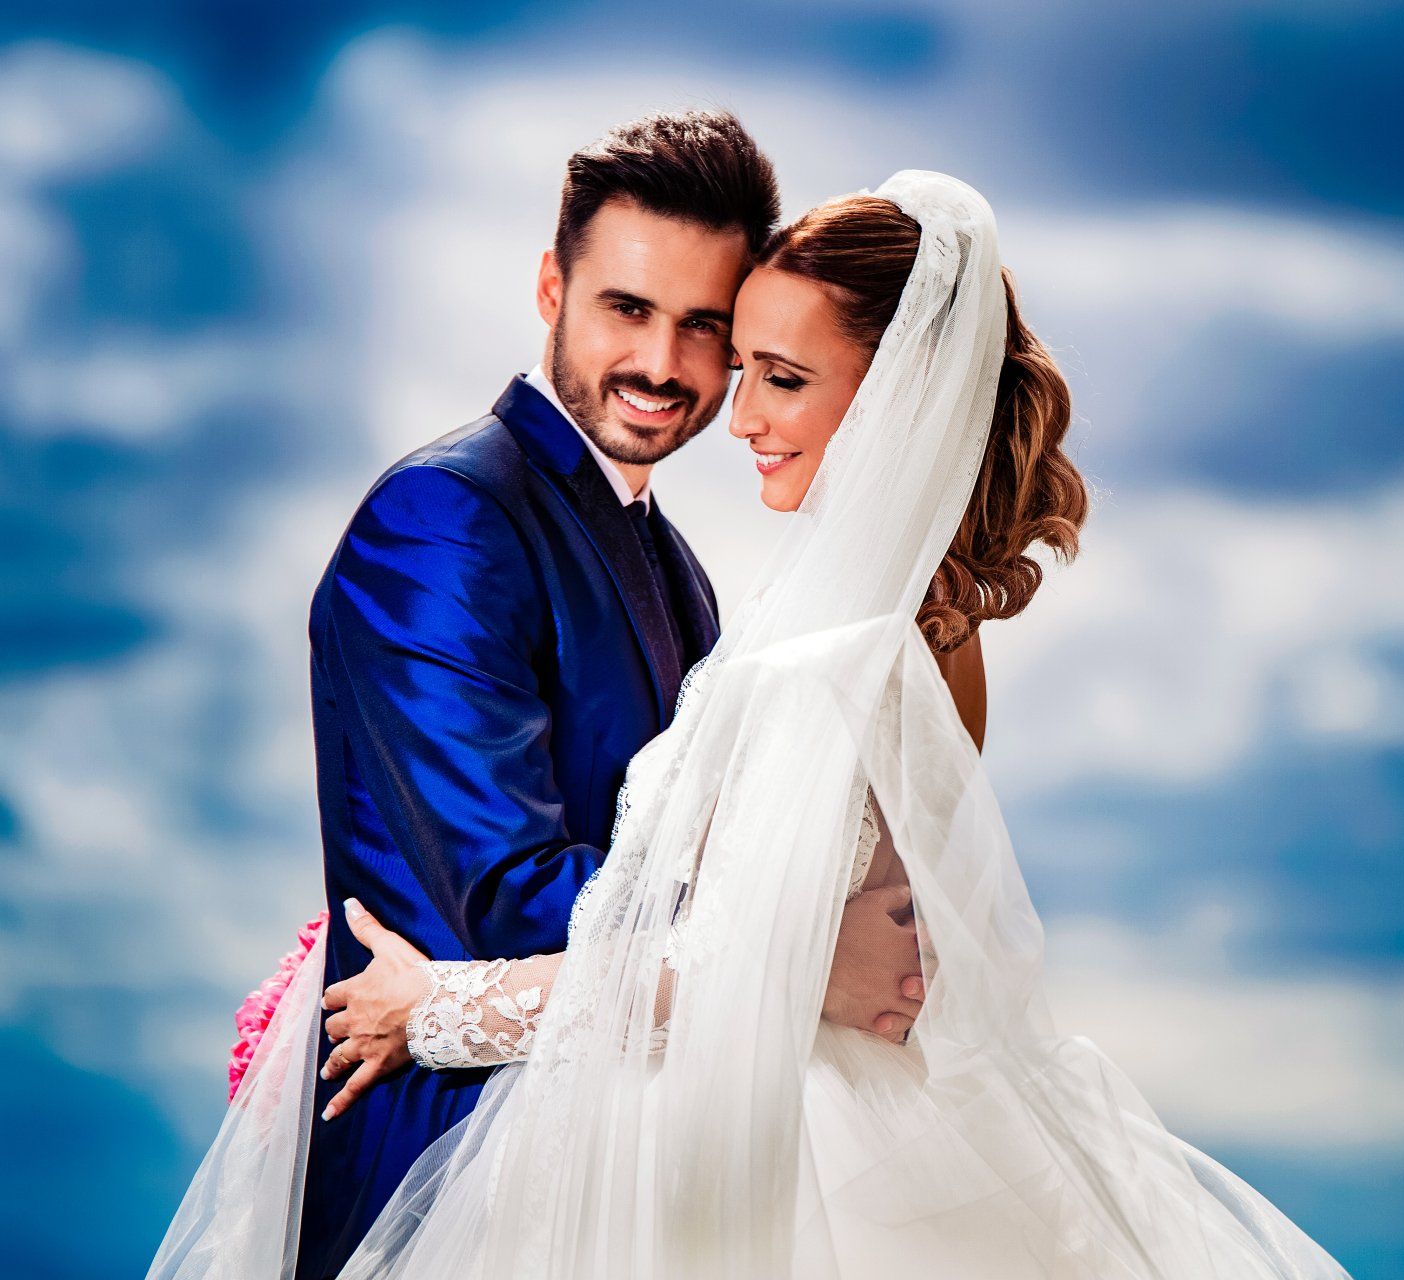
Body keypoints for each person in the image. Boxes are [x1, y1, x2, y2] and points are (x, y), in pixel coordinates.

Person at [147, 112, 924, 1280]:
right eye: (628, 308)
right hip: (450, 1170)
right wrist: (805, 951)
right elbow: (508, 897)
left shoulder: (675, 563)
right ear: (552, 287)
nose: (662, 363)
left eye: (703, 325)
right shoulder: (446, 518)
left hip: (618, 1162)